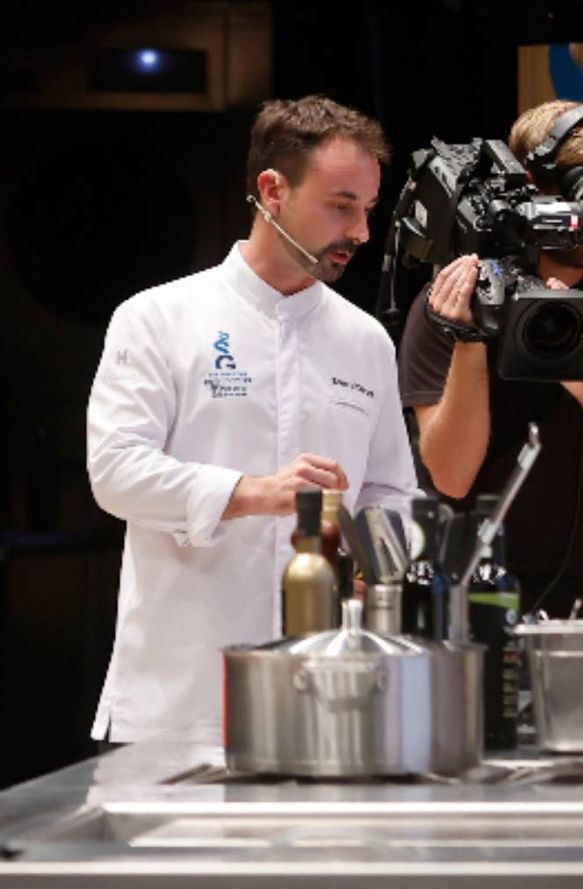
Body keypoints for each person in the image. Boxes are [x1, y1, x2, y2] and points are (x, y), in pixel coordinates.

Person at [87, 95, 422, 745]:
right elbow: (116, 473)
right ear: (272, 189)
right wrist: (254, 493)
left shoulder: (365, 341)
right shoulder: (158, 318)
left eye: (368, 209)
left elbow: (390, 492)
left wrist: (376, 553)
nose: (359, 231)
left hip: (335, 698)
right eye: (340, 204)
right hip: (183, 701)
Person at [398, 100, 583, 619]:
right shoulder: (455, 297)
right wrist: (470, 339)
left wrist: (576, 364)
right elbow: (451, 476)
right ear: (533, 185)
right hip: (467, 602)